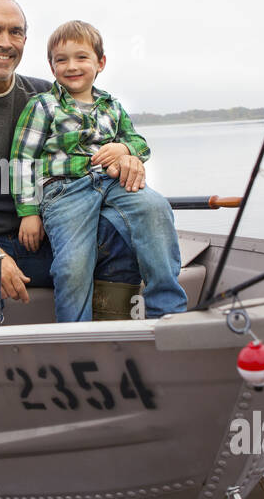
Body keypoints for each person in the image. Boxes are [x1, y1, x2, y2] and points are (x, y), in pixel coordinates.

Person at [0, 0, 143, 306]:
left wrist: (125, 153)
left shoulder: (49, 97)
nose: (5, 42)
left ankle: (110, 341)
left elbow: (97, 149)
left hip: (47, 236)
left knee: (120, 240)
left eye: (16, 32)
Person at [11, 20, 187, 322]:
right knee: (73, 266)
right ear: (52, 68)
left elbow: (138, 143)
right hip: (64, 191)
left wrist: (125, 150)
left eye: (81, 57)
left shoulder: (112, 107)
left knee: (155, 207)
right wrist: (29, 211)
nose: (71, 66)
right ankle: (75, 333)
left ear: (100, 63)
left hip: (112, 181)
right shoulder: (43, 105)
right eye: (61, 60)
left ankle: (168, 313)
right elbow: (22, 159)